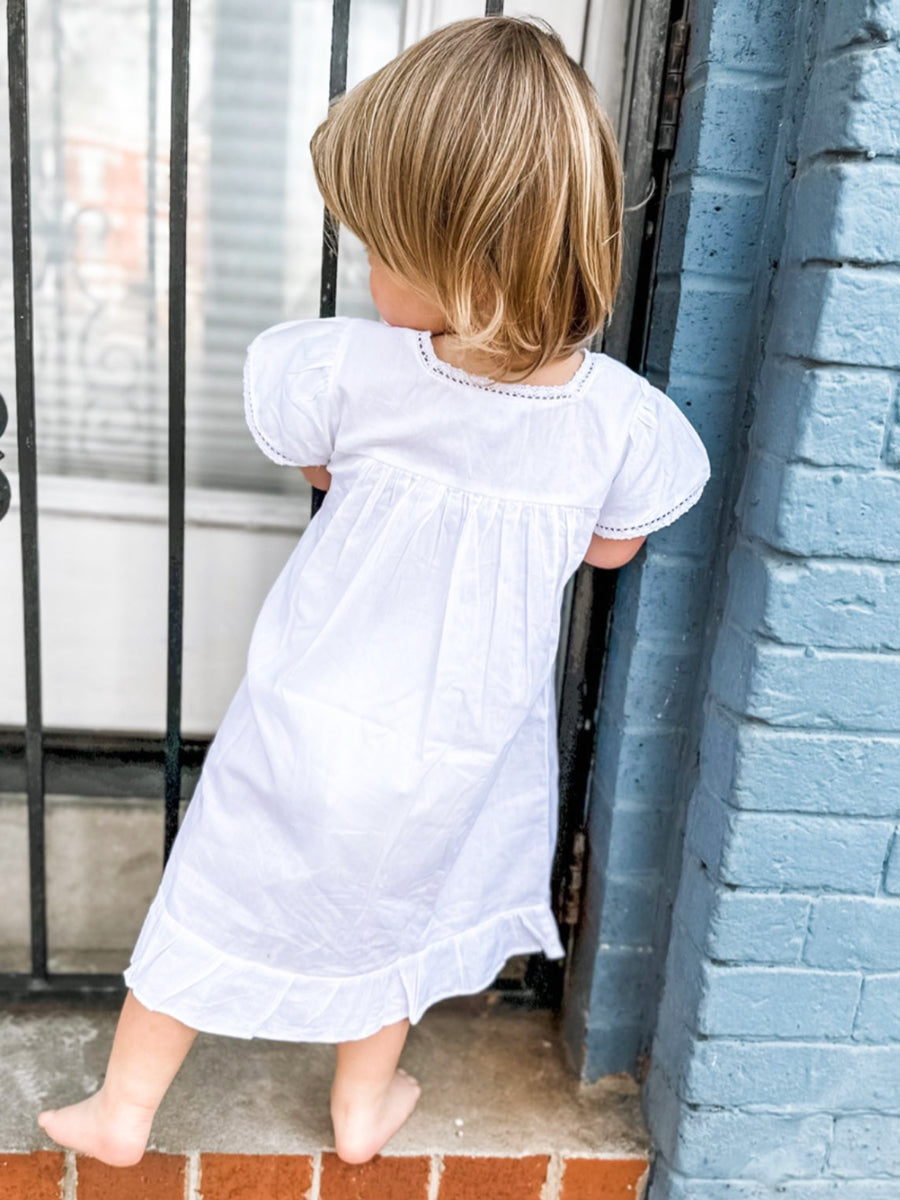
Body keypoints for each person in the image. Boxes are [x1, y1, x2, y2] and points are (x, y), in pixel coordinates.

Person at [37, 15, 710, 1170]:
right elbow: (611, 554)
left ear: (464, 261)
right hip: (460, 743)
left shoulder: (349, 371)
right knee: (398, 913)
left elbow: (315, 463)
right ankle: (362, 1107)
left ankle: (123, 1110)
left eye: (380, 251)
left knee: (217, 884)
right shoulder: (618, 423)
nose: (366, 272)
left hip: (313, 710)